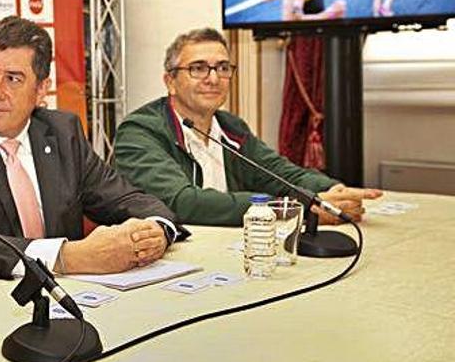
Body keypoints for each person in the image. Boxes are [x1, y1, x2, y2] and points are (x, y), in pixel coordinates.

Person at [0, 16, 188, 279]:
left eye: (13, 79)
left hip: (71, 303)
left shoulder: (62, 132)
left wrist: (157, 230)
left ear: (42, 89)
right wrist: (69, 257)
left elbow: (127, 200)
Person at [113, 28, 383, 227]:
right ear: (170, 81)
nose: (213, 78)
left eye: (222, 68)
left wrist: (333, 191)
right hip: (172, 258)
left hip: (231, 247)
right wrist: (293, 208)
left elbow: (279, 173)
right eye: (198, 68)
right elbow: (183, 203)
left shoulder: (231, 126)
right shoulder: (139, 132)